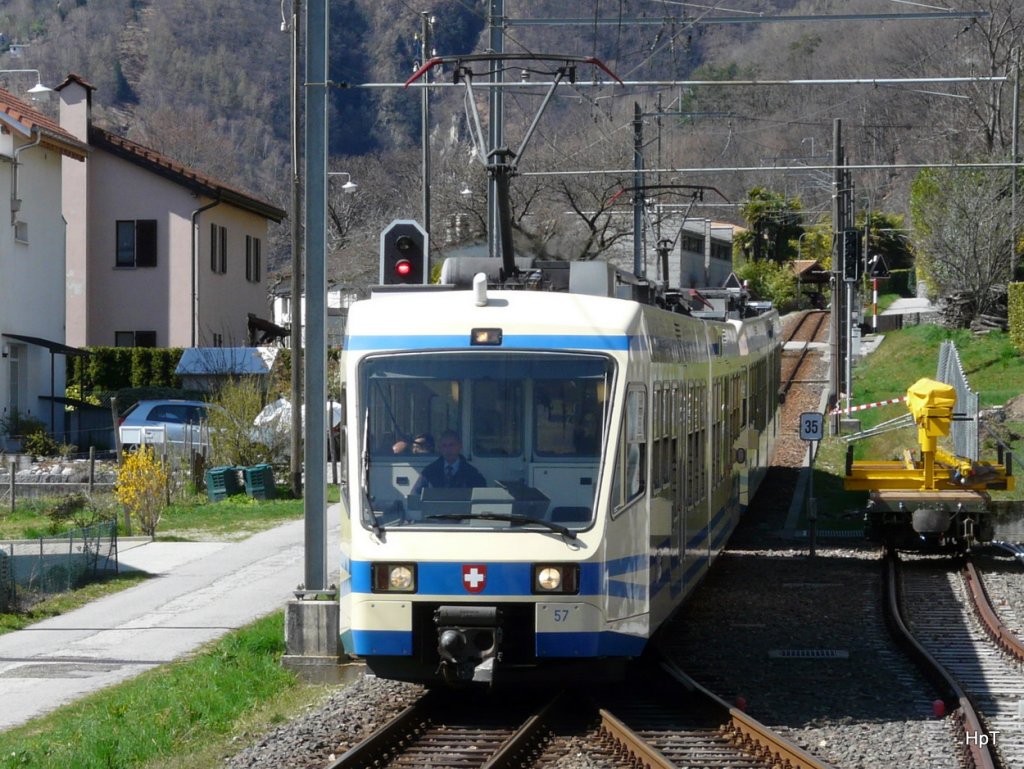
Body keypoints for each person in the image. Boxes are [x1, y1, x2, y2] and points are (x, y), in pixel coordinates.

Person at [413, 430, 485, 491]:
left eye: (451, 445)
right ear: (440, 448)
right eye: (444, 446)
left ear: (460, 446)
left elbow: (480, 499)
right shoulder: (429, 472)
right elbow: (415, 496)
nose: (448, 449)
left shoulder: (473, 474)